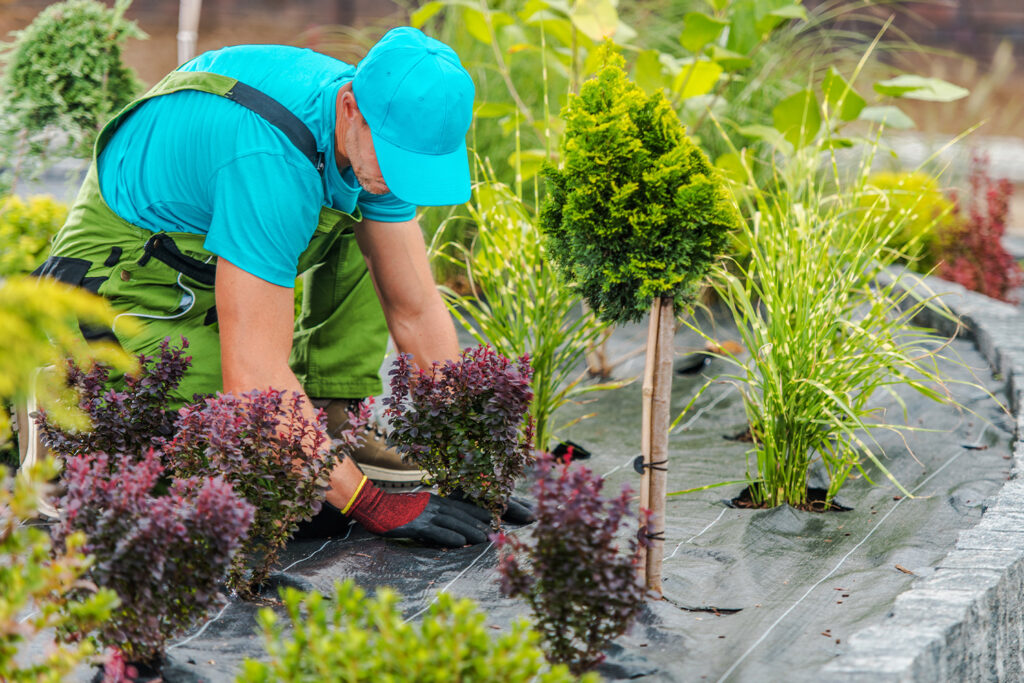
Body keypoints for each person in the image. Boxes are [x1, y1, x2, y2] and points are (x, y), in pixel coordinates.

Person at [30, 27, 520, 547]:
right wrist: (368, 502)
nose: (402, 181)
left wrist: (469, 463)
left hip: (203, 258)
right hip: (115, 280)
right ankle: (56, 409)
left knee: (375, 237)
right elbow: (255, 377)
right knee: (291, 506)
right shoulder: (269, 160)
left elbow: (416, 309)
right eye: (397, 160)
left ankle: (334, 415)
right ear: (350, 107)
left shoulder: (375, 138)